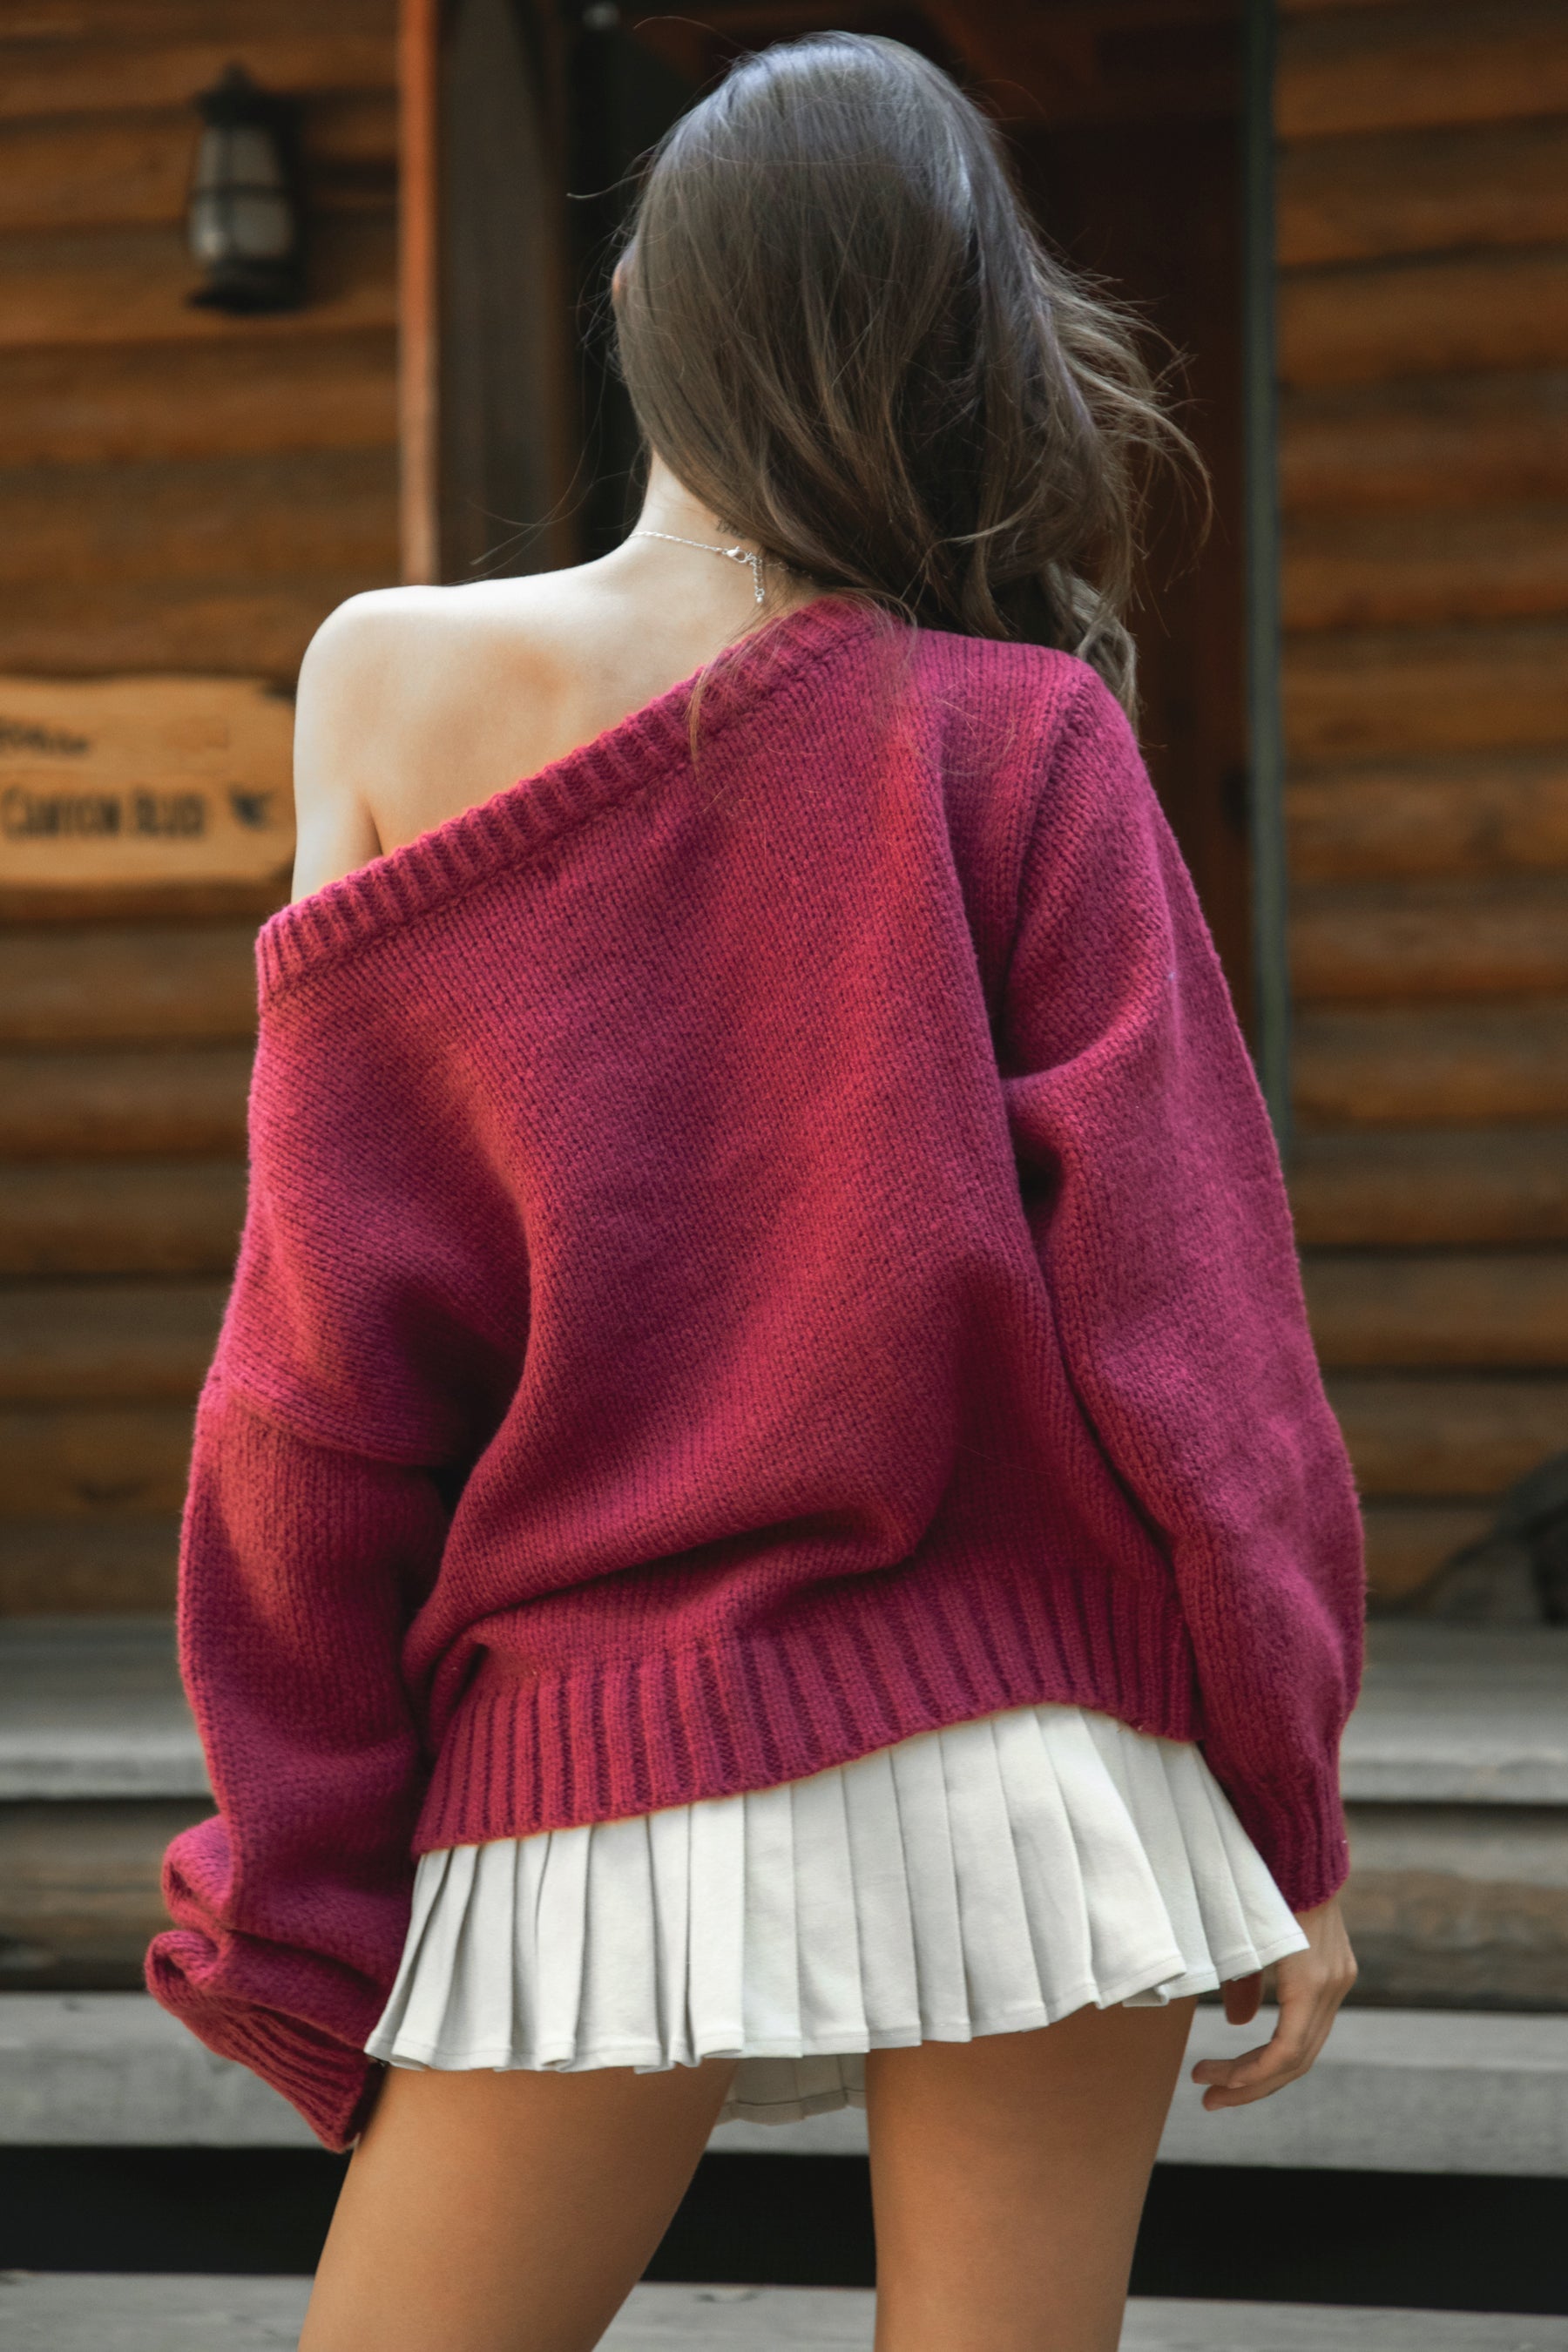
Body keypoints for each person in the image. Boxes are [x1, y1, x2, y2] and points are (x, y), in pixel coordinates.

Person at [145, 31, 1363, 2352]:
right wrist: (1283, 1806)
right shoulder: (1031, 740)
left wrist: (296, 1872)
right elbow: (1203, 1350)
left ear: (647, 317)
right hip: (1047, 1756)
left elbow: (310, 1373)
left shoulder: (395, 685)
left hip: (590, 1762)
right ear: (974, 359)